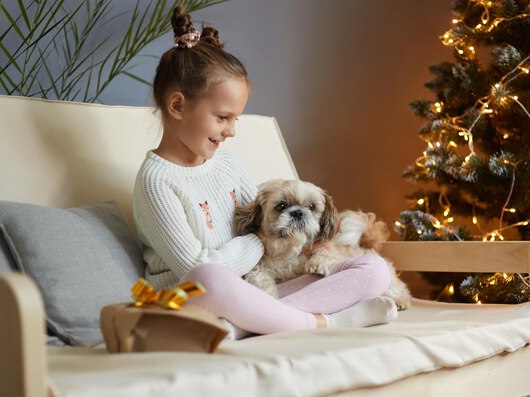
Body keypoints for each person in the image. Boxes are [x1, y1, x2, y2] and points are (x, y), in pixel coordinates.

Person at [132, 7, 397, 339]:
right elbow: (196, 271)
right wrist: (260, 241)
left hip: (255, 293)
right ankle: (326, 321)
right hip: (193, 300)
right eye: (222, 118)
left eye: (235, 120)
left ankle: (248, 325)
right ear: (177, 106)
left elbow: (264, 217)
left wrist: (307, 244)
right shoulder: (157, 181)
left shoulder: (224, 162)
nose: (231, 131)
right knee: (211, 277)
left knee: (372, 270)